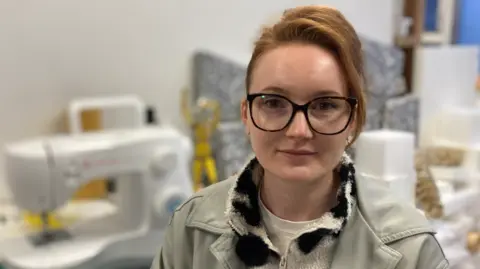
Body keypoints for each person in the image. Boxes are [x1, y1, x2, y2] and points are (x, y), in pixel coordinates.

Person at [151, 5, 448, 269]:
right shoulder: (191, 229)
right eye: (274, 103)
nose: (298, 131)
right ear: (246, 115)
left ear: (352, 119)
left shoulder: (410, 250)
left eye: (325, 105)